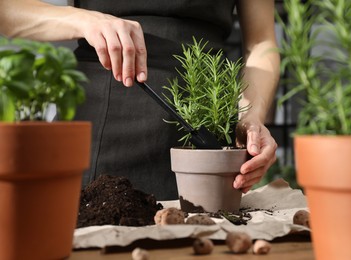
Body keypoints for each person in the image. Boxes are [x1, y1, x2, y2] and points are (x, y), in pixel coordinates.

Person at [0, 0, 280, 200]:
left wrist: (251, 117)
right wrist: (84, 19)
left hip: (208, 120)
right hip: (105, 118)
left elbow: (261, 42)